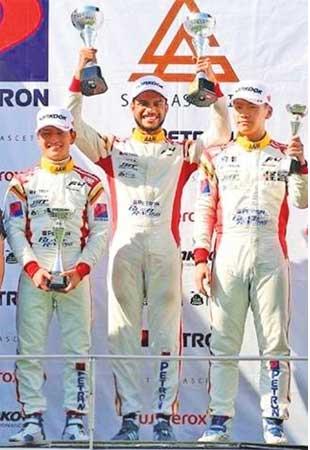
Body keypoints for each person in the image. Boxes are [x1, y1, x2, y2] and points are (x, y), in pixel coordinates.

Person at [68, 47, 231, 441]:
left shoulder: (180, 151)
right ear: (133, 107)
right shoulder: (112, 148)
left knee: (165, 333)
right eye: (143, 103)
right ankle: (129, 419)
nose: (150, 109)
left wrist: (212, 85)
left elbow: (222, 132)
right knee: (121, 333)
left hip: (165, 247)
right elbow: (72, 123)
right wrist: (78, 74)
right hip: (124, 247)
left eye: (157, 103)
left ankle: (161, 417)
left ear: (165, 108)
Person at [193, 80, 308, 444]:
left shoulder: (282, 152)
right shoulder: (215, 155)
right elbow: (204, 208)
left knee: (274, 342)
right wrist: (200, 257)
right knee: (224, 342)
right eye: (238, 107)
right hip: (228, 252)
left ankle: (273, 418)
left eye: (251, 108)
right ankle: (218, 420)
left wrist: (300, 164)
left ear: (267, 112)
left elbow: (301, 201)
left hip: (271, 253)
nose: (243, 114)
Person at [3, 107, 109, 443]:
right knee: (29, 349)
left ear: (72, 137)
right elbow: (14, 230)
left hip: (75, 278)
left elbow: (100, 232)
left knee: (78, 350)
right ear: (37, 138)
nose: (53, 140)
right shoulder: (21, 182)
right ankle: (32, 420)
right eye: (47, 134)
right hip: (35, 278)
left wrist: (80, 270)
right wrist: (33, 269)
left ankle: (76, 420)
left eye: (60, 133)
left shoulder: (91, 183)